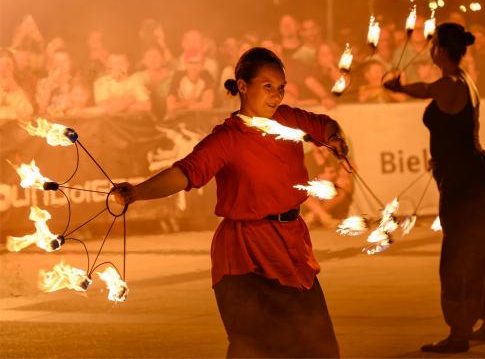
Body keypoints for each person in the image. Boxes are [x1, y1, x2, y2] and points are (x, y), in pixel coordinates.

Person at [112, 47, 344, 358]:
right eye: (268, 86)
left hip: (292, 246)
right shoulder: (227, 138)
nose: (276, 95)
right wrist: (138, 192)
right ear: (243, 86)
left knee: (319, 347)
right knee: (252, 348)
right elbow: (185, 172)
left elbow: (325, 124)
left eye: (281, 87)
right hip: (245, 252)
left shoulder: (290, 119)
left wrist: (335, 139)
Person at [384, 23, 485, 353]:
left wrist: (398, 86)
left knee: (458, 253)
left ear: (439, 49)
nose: (429, 48)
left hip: (464, 178)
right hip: (473, 172)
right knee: (480, 247)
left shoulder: (449, 84)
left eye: (433, 43)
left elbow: (424, 89)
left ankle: (458, 332)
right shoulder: (465, 79)